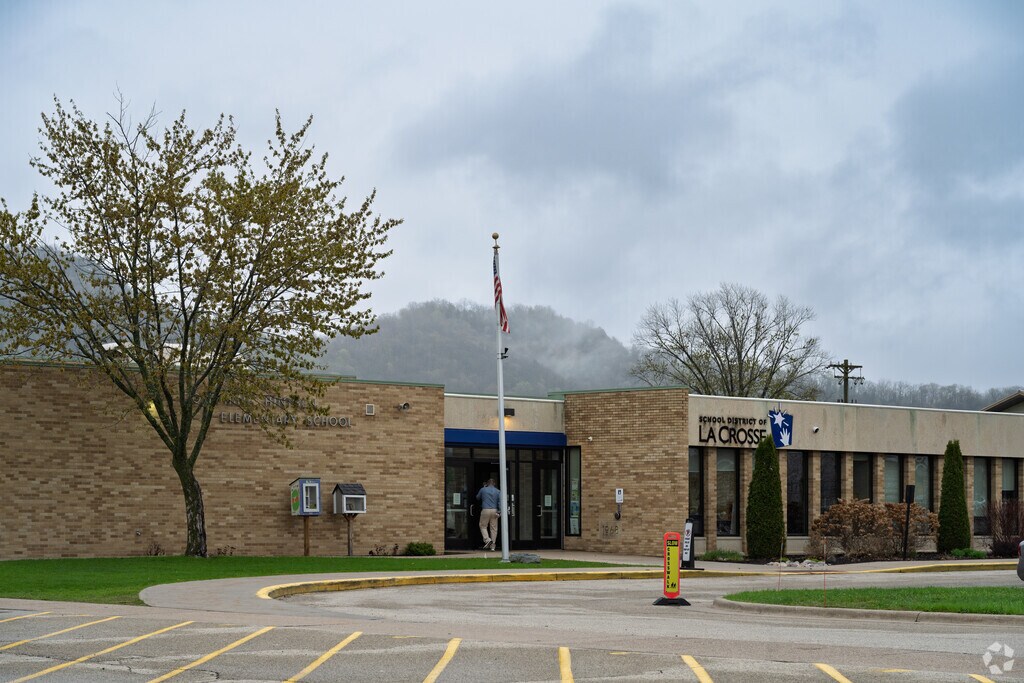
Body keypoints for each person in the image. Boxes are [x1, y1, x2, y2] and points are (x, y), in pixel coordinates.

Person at [476, 478, 501, 550]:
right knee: (494, 528)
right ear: (494, 484)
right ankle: (493, 545)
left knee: (483, 526)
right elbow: (500, 502)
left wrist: (484, 488)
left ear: (487, 484)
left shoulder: (483, 489)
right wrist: (499, 511)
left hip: (485, 510)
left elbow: (477, 497)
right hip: (494, 510)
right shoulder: (498, 491)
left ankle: (487, 540)